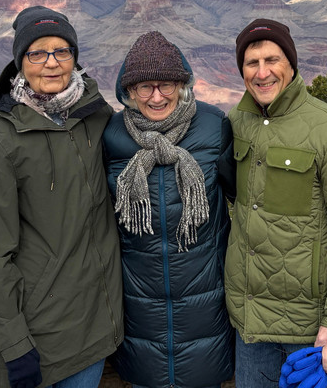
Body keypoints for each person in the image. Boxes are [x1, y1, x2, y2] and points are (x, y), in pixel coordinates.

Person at [0, 6, 123, 388]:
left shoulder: (95, 117)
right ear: (20, 63)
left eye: (62, 51)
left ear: (74, 57)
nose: (51, 63)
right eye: (37, 53)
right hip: (37, 337)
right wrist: (14, 341)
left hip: (94, 329)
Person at [225, 18, 327, 388]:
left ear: (291, 65)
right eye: (252, 63)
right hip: (250, 324)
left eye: (272, 60)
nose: (263, 73)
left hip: (310, 332)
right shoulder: (237, 122)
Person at [103, 31, 236, 388]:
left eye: (166, 85)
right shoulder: (113, 135)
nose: (157, 96)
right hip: (139, 310)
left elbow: (241, 197)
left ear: (183, 84)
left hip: (205, 306)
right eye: (145, 87)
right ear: (128, 92)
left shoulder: (214, 126)